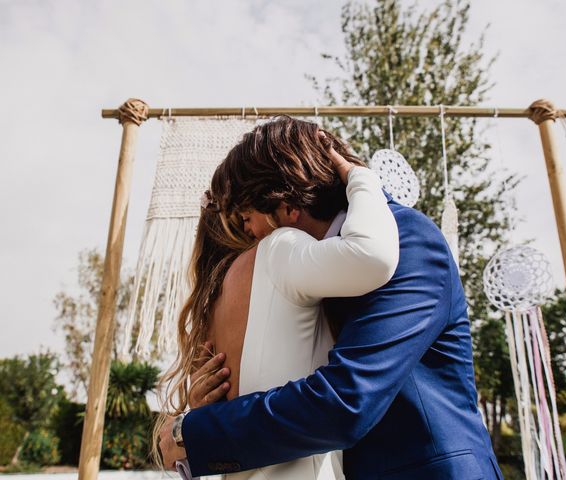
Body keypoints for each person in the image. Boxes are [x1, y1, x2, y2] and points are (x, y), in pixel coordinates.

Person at [160, 116, 504, 479]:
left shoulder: (407, 239)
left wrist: (194, 432)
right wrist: (215, 402)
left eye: (248, 218)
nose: (250, 235)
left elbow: (347, 401)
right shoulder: (313, 267)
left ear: (287, 207)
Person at [155, 117, 399, 479]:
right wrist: (361, 178)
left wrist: (191, 423)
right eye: (245, 218)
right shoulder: (278, 250)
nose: (252, 228)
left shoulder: (212, 305)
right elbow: (372, 256)